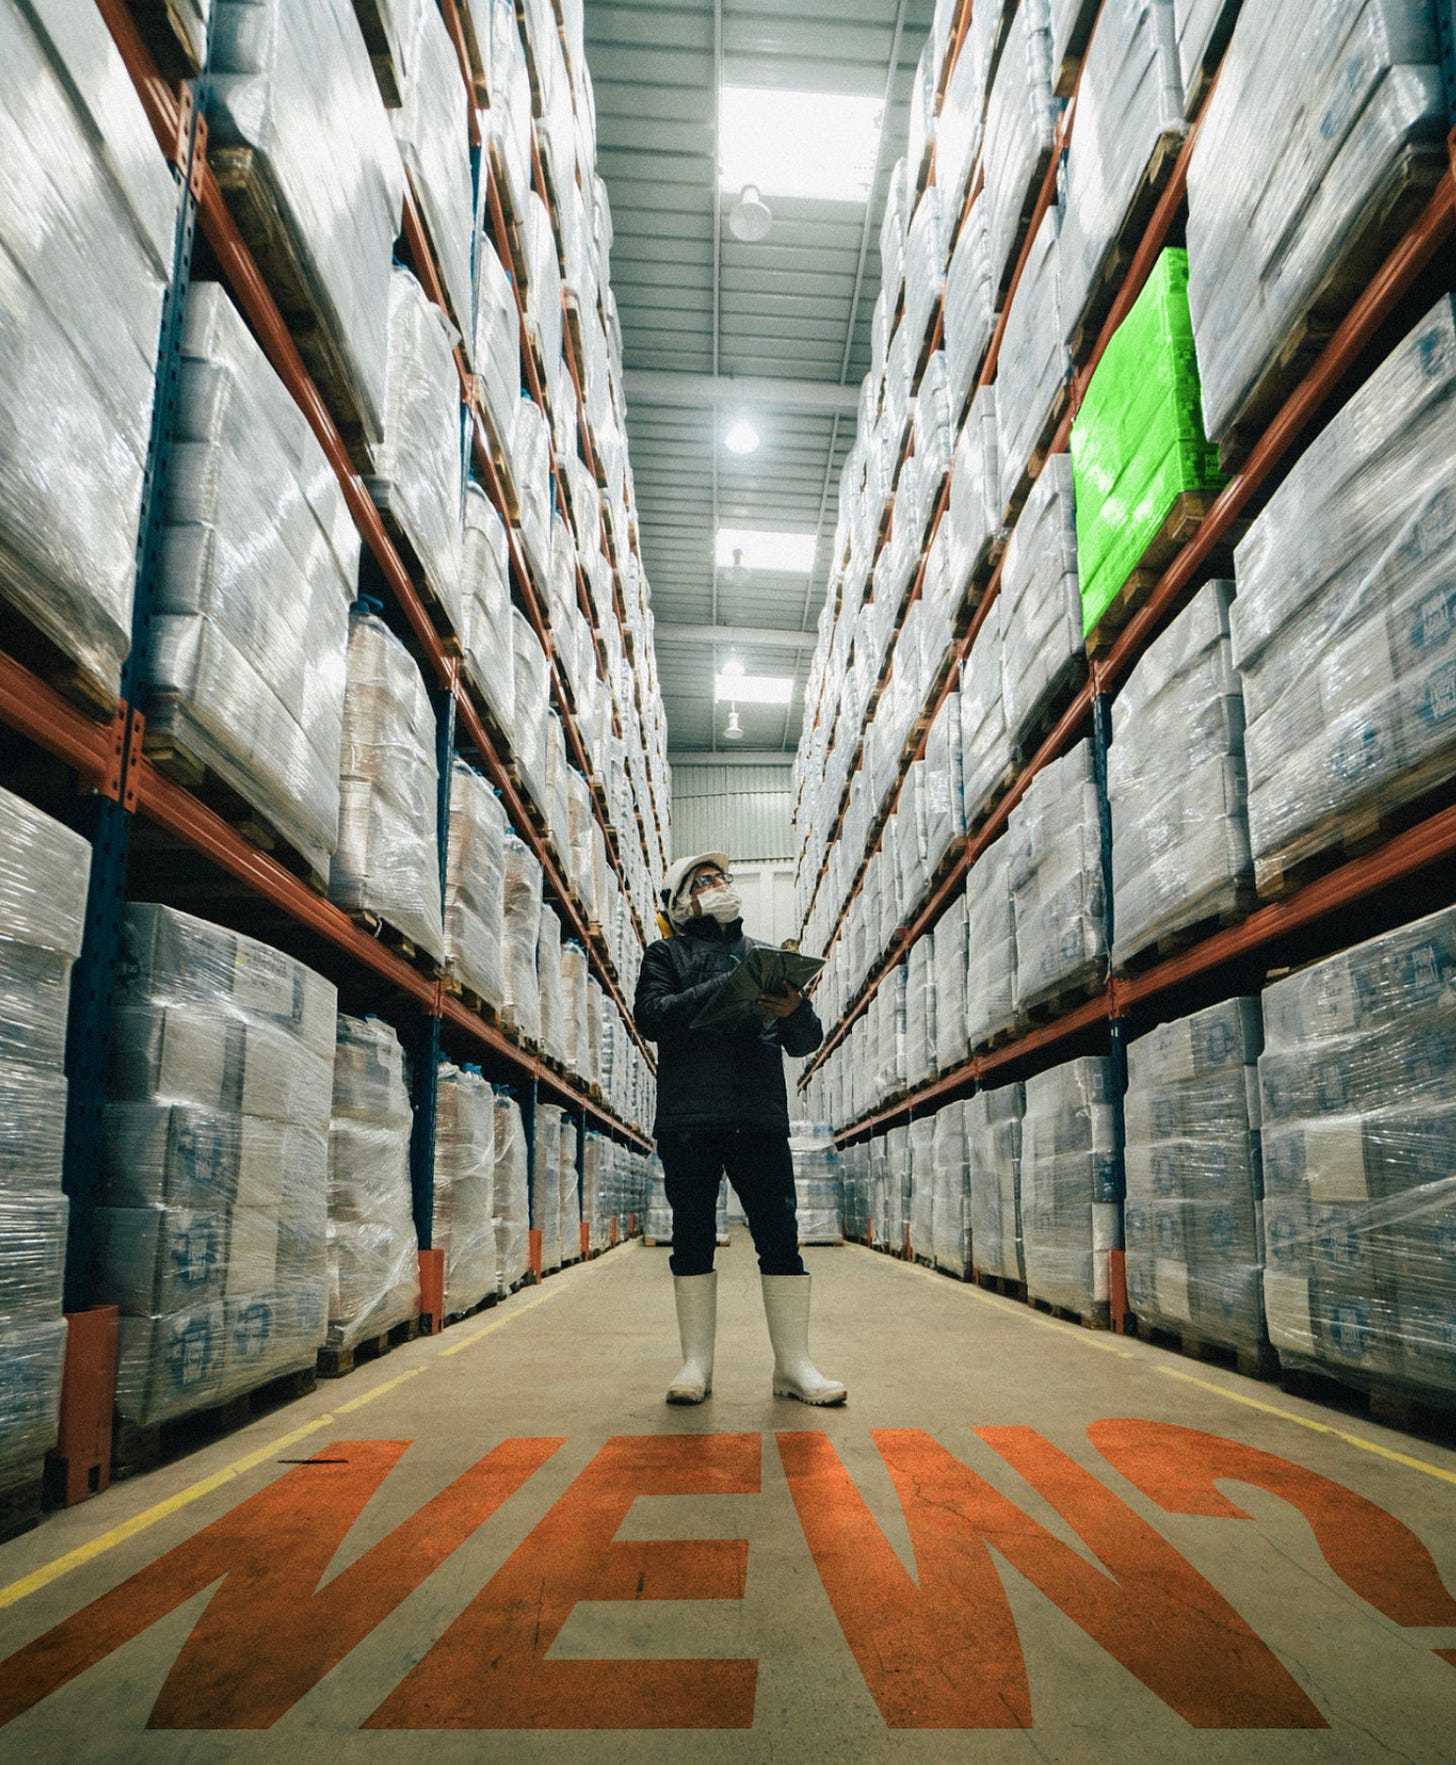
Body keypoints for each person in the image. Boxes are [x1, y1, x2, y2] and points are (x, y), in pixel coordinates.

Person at [633, 852, 847, 1407]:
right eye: (704, 880)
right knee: (694, 1235)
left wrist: (793, 1008)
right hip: (691, 1118)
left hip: (757, 1118)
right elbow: (652, 1016)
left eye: (722, 878)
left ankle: (793, 1367)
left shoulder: (764, 957)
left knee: (779, 1235)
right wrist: (726, 988)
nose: (719, 886)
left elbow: (806, 1041)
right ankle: (695, 1366)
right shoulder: (665, 954)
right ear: (681, 900)